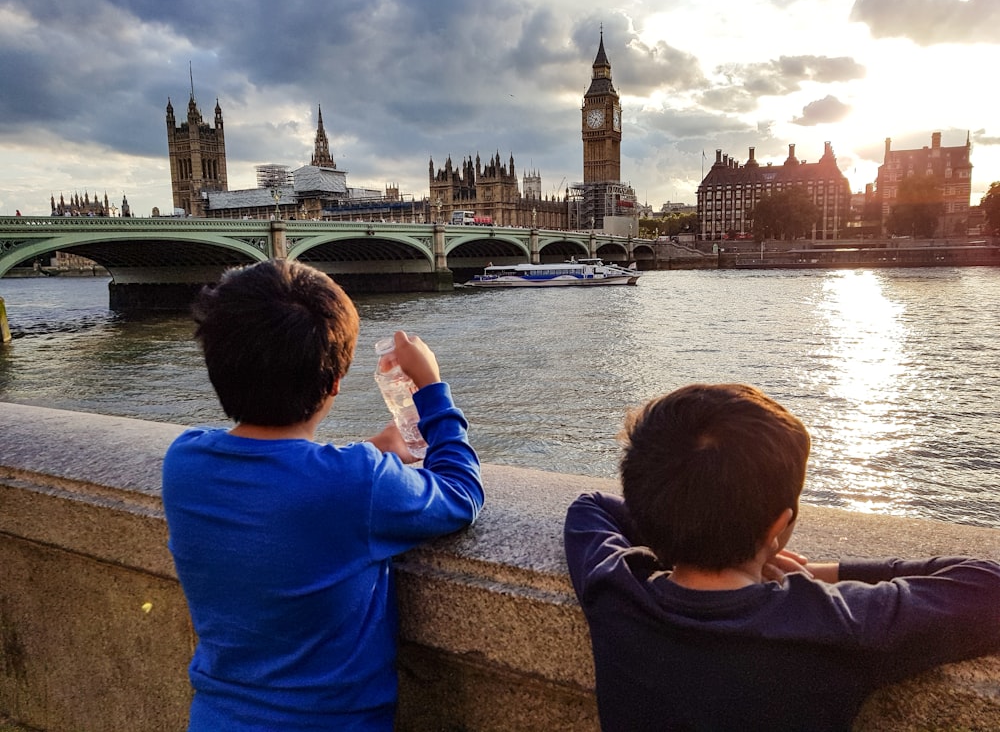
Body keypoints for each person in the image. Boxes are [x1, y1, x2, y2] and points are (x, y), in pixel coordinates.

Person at [564, 383, 1000, 731]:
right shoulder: (834, 625)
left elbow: (590, 508)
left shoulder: (614, 591)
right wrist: (819, 572)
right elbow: (987, 585)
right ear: (779, 527)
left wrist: (677, 527)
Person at [162, 259, 483, 731]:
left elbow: (280, 484)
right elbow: (461, 494)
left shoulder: (183, 463)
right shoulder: (360, 482)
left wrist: (371, 451)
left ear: (216, 367)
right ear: (335, 383)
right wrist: (432, 389)